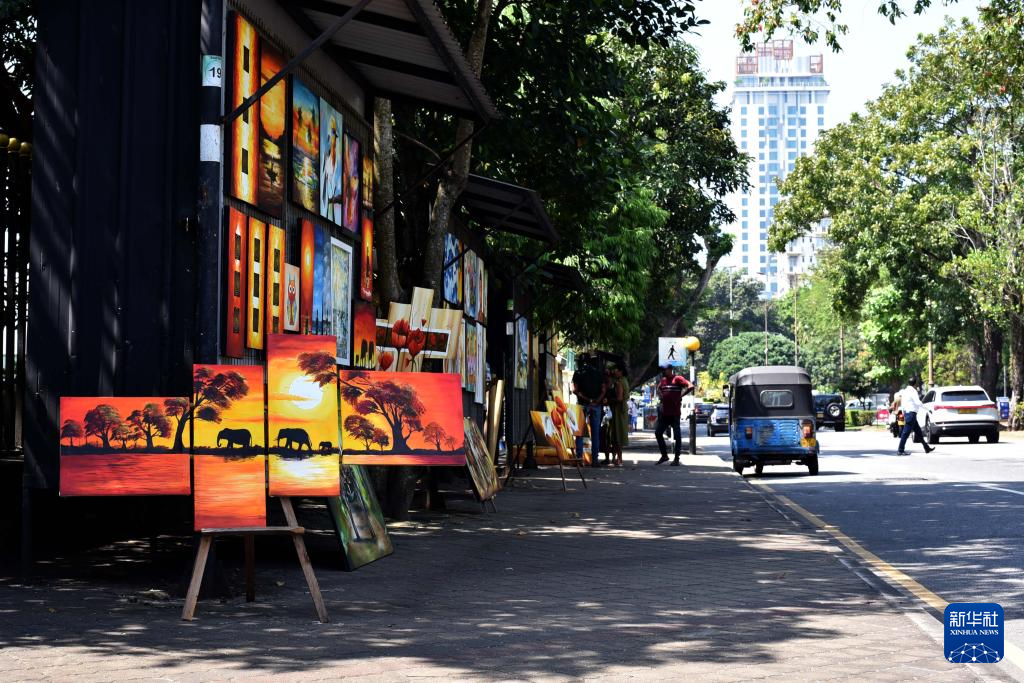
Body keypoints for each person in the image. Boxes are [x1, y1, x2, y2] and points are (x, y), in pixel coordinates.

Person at [571, 355, 607, 467]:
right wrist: (596, 401)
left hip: (582, 405)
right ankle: (595, 460)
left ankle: (579, 459)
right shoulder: (599, 373)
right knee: (595, 433)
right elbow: (603, 390)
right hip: (596, 406)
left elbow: (575, 390)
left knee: (579, 433)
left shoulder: (578, 373)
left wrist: (587, 399)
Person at [655, 365, 694, 466]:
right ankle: (664, 455)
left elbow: (690, 386)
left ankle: (676, 458)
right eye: (663, 370)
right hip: (664, 413)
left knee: (677, 436)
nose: (664, 372)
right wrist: (661, 395)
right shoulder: (663, 380)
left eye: (665, 370)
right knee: (658, 433)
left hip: (674, 414)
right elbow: (658, 388)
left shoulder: (677, 379)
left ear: (670, 370)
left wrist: (681, 395)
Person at [897, 375, 934, 455]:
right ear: (915, 384)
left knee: (919, 433)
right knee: (905, 433)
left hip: (908, 413)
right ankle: (900, 450)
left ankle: (926, 448)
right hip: (911, 414)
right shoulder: (913, 391)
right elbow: (918, 402)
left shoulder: (905, 391)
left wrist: (904, 412)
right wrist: (928, 409)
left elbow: (903, 404)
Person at [607, 365, 630, 467]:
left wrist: (609, 400)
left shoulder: (619, 382)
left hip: (618, 410)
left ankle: (619, 459)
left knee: (617, 435)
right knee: (618, 434)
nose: (614, 372)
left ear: (620, 371)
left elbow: (619, 398)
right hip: (622, 409)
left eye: (615, 370)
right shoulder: (624, 380)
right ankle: (618, 458)